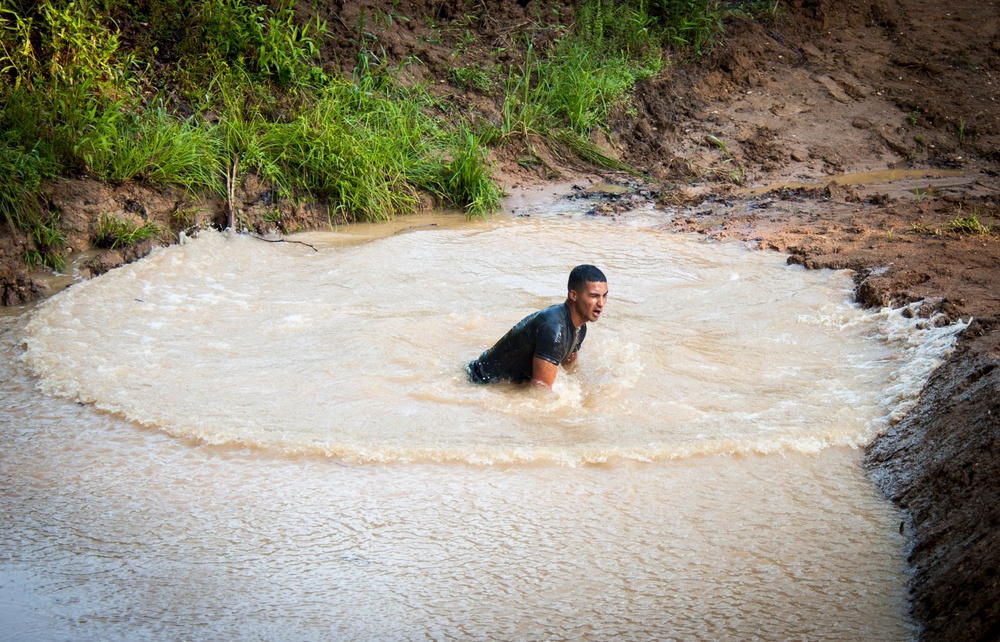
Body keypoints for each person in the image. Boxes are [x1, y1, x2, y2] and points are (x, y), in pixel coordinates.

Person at [467, 264, 608, 389]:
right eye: (594, 296)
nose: (601, 303)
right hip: (477, 383)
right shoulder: (553, 329)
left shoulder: (580, 327)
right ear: (573, 295)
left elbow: (569, 369)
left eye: (604, 296)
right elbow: (541, 392)